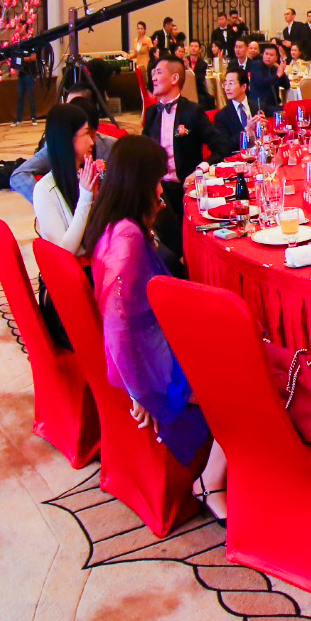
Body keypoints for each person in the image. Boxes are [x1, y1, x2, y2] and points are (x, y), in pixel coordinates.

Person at [88, 134, 228, 514]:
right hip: (154, 362)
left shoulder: (117, 223)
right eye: (156, 180)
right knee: (235, 383)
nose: (161, 188)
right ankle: (209, 482)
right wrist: (140, 391)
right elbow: (117, 325)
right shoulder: (126, 238)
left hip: (156, 347)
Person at [141, 55, 228, 252]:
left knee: (187, 245)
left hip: (185, 189)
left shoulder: (192, 112)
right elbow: (143, 150)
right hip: (158, 191)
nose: (153, 77)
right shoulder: (153, 112)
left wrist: (200, 170)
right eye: (153, 73)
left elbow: (221, 146)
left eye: (159, 72)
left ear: (174, 78)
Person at [32, 103, 101, 259]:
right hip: (77, 270)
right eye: (86, 134)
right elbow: (64, 252)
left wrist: (97, 199)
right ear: (68, 139)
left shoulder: (83, 176)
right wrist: (86, 197)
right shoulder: (44, 189)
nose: (92, 142)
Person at [209, 67, 257, 153]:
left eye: (231, 83)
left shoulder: (257, 107)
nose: (227, 88)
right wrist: (246, 130)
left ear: (243, 87)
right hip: (237, 158)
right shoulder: (221, 116)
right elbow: (223, 147)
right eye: (225, 84)